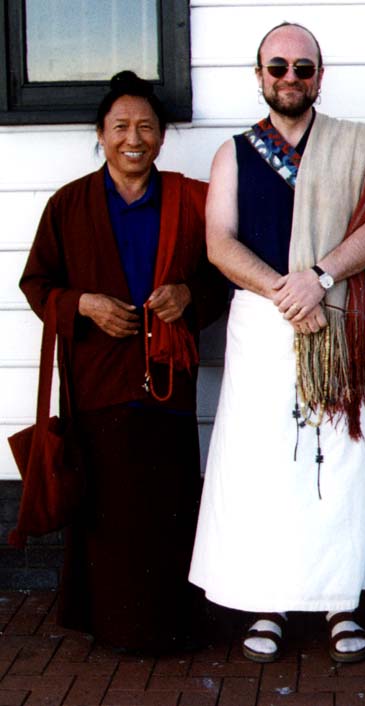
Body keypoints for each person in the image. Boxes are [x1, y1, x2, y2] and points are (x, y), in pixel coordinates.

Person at [189, 22, 365, 663]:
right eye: (278, 67)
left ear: (320, 77)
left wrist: (319, 278)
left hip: (334, 315)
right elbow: (220, 242)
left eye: (303, 69)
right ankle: (266, 601)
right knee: (266, 463)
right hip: (264, 319)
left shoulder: (355, 146)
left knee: (339, 459)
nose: (290, 78)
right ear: (259, 76)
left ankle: (338, 602)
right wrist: (285, 290)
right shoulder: (235, 153)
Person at [19, 71, 228, 652]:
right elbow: (37, 283)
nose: (133, 138)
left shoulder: (189, 202)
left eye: (145, 127)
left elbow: (220, 279)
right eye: (120, 127)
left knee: (167, 504)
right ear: (100, 134)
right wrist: (82, 304)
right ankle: (112, 627)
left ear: (162, 137)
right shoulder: (70, 204)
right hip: (98, 381)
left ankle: (170, 624)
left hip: (167, 378)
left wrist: (188, 296)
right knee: (107, 510)